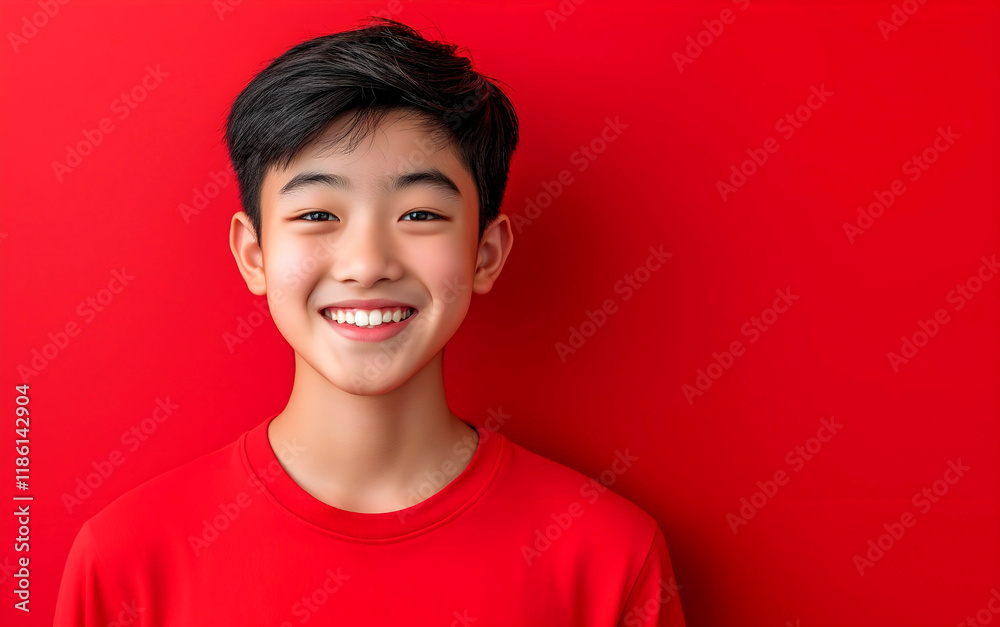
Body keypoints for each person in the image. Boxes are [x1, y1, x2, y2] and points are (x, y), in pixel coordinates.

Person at [53, 16, 685, 626]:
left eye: (418, 215)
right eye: (317, 215)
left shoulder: (605, 558)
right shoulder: (127, 561)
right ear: (254, 255)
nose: (366, 264)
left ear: (485, 254)